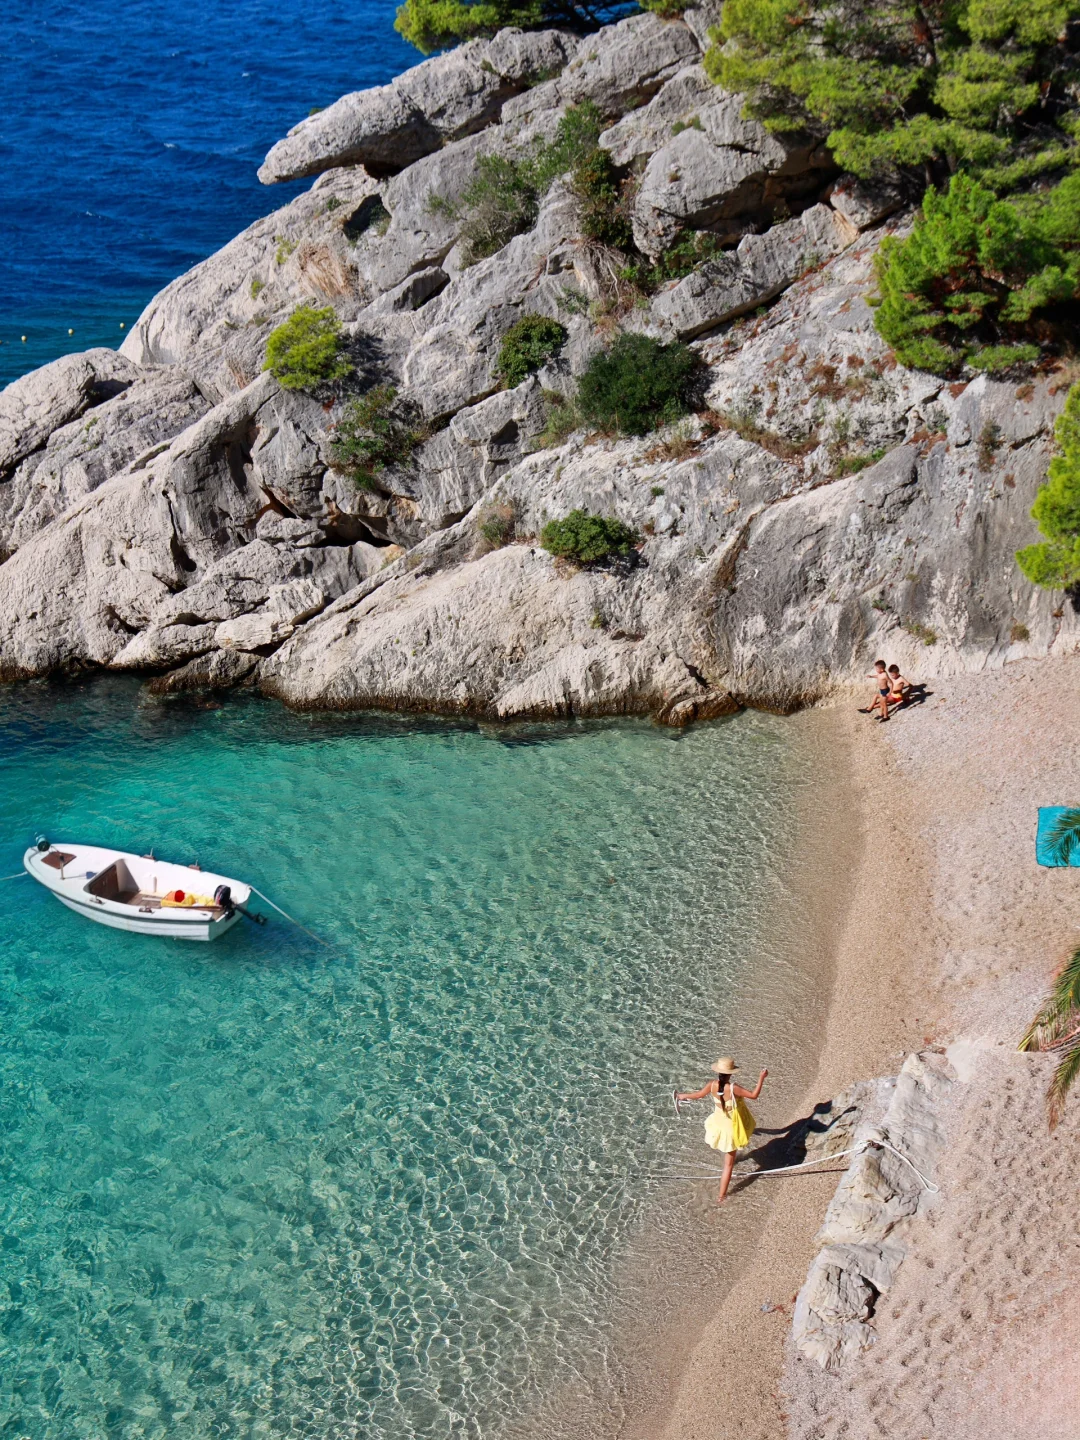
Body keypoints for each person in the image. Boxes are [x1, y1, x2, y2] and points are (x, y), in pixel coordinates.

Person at [675, 1057, 768, 1204]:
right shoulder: (733, 1088)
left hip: (718, 1123)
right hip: (730, 1128)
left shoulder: (712, 1085)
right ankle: (721, 1196)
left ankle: (679, 1097)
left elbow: (698, 1095)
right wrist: (761, 1078)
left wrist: (681, 1096)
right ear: (730, 1073)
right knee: (728, 1165)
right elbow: (754, 1095)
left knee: (728, 1159)